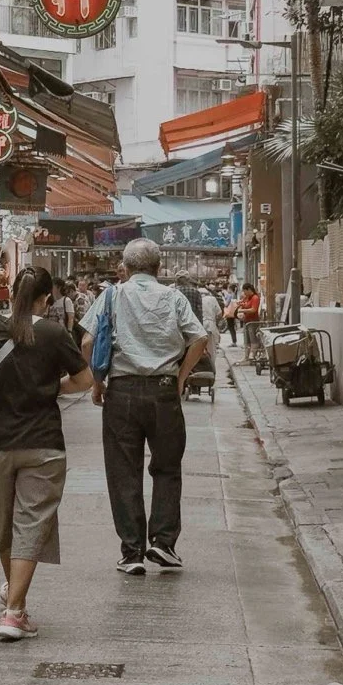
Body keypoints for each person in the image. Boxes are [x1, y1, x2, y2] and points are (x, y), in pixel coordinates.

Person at [0, 266, 93, 642]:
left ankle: (16, 605)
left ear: (12, 294)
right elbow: (84, 379)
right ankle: (13, 612)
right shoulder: (53, 332)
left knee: (5, 523)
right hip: (42, 445)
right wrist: (48, 388)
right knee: (30, 525)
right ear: (47, 299)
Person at [81, 238, 207, 575]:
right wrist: (181, 378)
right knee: (167, 468)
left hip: (121, 393)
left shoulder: (111, 296)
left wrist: (97, 381)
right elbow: (200, 338)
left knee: (124, 472)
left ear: (125, 267)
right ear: (158, 268)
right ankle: (163, 543)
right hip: (163, 392)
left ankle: (132, 552)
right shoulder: (173, 297)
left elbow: (88, 340)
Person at [236, 282, 262, 362]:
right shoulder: (248, 298)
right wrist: (241, 304)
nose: (244, 293)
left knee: (253, 339)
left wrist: (242, 310)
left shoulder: (255, 298)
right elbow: (245, 304)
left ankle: (252, 356)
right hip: (246, 321)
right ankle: (246, 357)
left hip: (253, 321)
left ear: (249, 290)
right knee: (246, 340)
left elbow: (253, 309)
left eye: (244, 291)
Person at [199, 284, 221, 368]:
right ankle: (211, 367)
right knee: (211, 349)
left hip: (199, 326)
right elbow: (219, 314)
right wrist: (216, 322)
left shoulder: (196, 298)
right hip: (210, 325)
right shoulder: (212, 299)